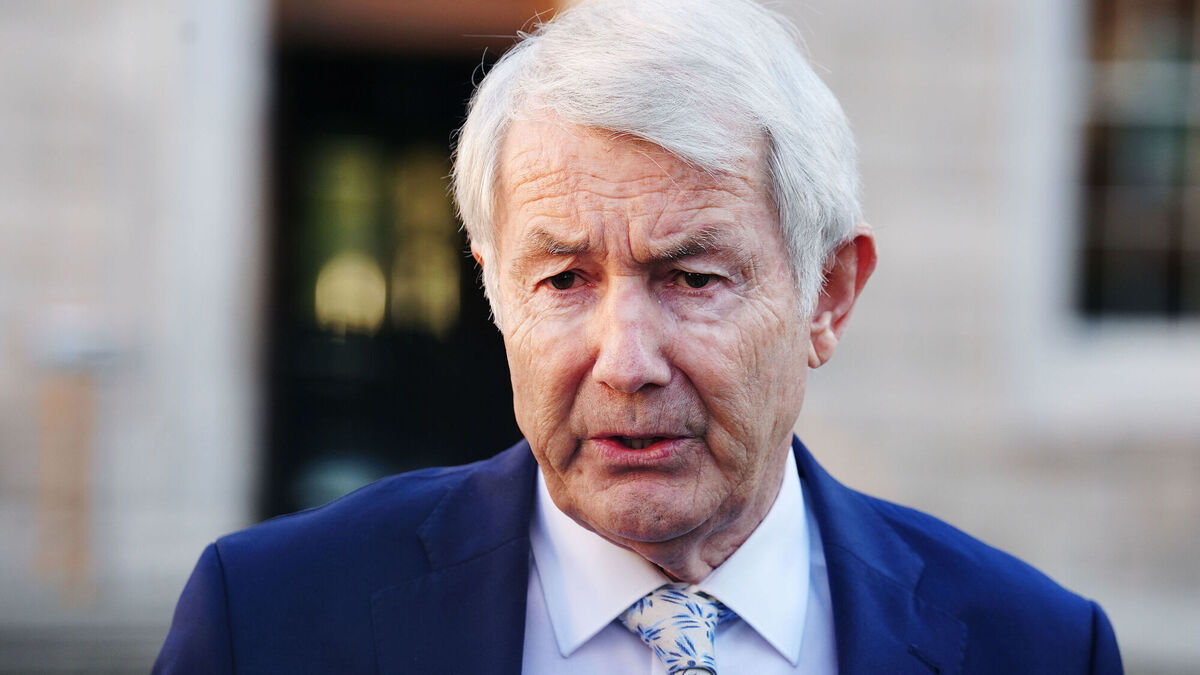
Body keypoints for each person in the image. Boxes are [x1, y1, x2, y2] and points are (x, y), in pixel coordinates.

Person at [155, 0, 1123, 673]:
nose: (625, 363)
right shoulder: (266, 622)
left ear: (828, 296)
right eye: (563, 280)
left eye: (693, 279)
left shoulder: (1038, 650)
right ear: (495, 292)